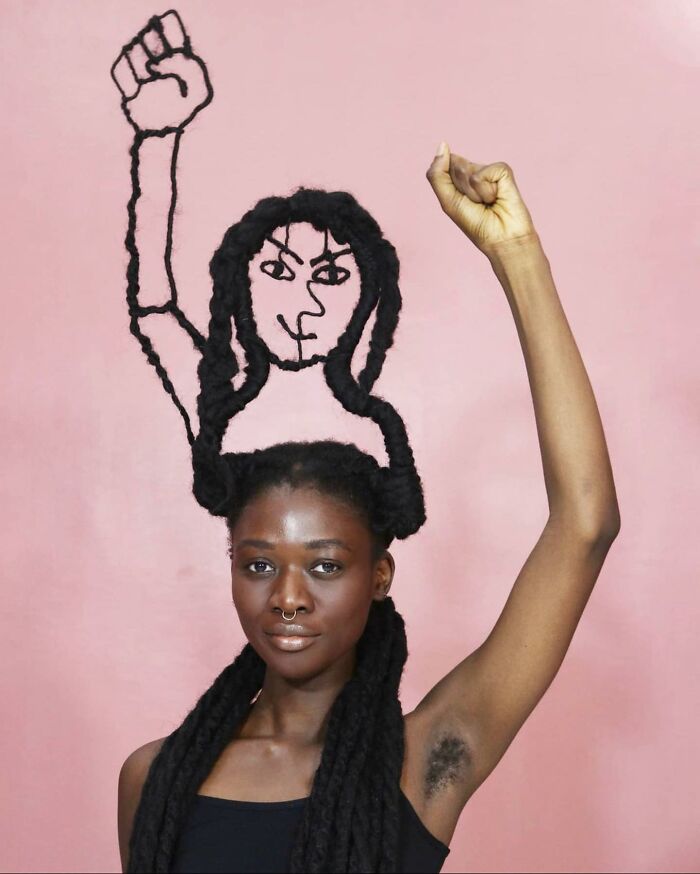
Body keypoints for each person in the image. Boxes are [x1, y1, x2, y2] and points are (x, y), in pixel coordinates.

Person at [113, 12, 621, 874]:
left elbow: (585, 523)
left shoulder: (426, 762)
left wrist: (517, 254)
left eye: (325, 564)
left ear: (379, 575)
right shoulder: (153, 779)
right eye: (258, 563)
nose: (287, 597)